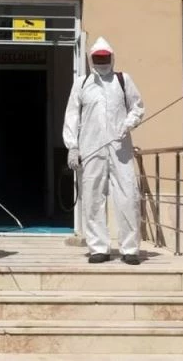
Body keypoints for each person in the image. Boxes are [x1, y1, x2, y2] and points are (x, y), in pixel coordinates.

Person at [63, 37, 145, 265]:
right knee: (92, 198)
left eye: (105, 58)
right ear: (91, 60)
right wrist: (72, 146)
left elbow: (138, 107)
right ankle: (98, 248)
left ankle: (130, 249)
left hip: (120, 149)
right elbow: (72, 116)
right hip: (91, 148)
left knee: (128, 196)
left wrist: (128, 123)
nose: (102, 63)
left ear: (112, 58)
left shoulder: (123, 80)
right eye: (98, 59)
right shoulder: (81, 84)